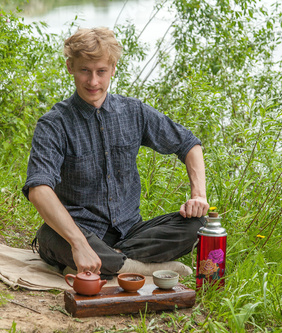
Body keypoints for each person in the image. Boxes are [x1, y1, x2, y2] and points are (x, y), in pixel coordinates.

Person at [22, 27, 209, 279]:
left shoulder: (134, 112)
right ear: (70, 67)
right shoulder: (54, 124)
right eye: (84, 71)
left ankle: (105, 262)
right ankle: (139, 268)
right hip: (80, 230)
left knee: (196, 225)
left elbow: (189, 144)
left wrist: (198, 196)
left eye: (101, 71)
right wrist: (78, 243)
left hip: (131, 233)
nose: (93, 82)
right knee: (50, 235)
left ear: (113, 69)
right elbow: (39, 189)